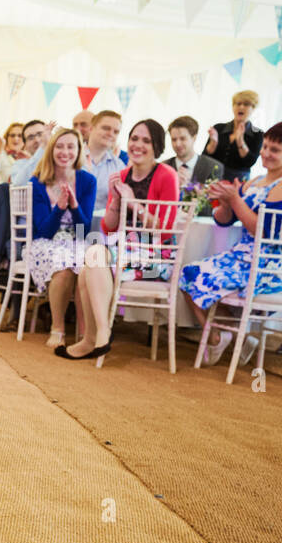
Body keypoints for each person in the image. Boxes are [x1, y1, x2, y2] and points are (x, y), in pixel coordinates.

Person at [180, 120, 282, 365]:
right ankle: (225, 336)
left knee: (198, 278)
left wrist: (236, 200)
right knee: (188, 274)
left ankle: (228, 336)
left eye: (274, 150)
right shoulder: (256, 180)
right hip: (243, 259)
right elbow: (224, 221)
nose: (265, 153)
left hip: (272, 266)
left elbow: (263, 232)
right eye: (265, 147)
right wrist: (225, 202)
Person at [60, 120, 180, 361]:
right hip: (124, 251)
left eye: (146, 141)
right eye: (134, 138)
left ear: (157, 146)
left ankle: (97, 336)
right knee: (91, 260)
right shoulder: (122, 175)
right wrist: (116, 200)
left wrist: (133, 202)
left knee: (90, 265)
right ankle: (97, 336)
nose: (138, 145)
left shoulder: (167, 175)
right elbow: (109, 227)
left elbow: (165, 232)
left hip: (156, 258)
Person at [23, 128, 97, 348]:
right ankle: (58, 328)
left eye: (71, 146)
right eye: (59, 146)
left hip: (77, 241)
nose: (65, 152)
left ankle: (86, 332)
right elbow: (43, 230)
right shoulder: (37, 182)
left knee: (89, 264)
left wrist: (74, 206)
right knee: (64, 266)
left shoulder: (87, 181)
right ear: (51, 150)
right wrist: (59, 208)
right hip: (44, 242)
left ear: (79, 151)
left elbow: (84, 229)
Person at [205, 90, 264, 182]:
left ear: (253, 108)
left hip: (238, 182)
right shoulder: (218, 128)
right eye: (238, 103)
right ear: (233, 107)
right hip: (213, 178)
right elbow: (205, 157)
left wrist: (240, 141)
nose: (241, 107)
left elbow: (250, 162)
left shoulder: (258, 134)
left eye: (246, 104)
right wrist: (214, 143)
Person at [82, 110, 127, 214]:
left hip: (103, 222)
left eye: (116, 132)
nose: (111, 134)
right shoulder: (71, 157)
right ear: (91, 128)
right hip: (72, 221)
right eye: (106, 128)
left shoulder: (119, 166)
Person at [165, 115, 220, 187]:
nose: (178, 144)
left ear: (194, 138)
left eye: (182, 139)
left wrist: (189, 186)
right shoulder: (163, 167)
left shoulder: (212, 167)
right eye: (174, 139)